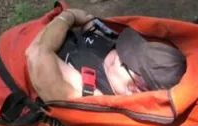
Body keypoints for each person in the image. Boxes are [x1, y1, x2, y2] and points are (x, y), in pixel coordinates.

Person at [26, 8, 187, 101]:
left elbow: (35, 53)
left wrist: (68, 17)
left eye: (125, 61)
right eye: (124, 49)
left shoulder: (87, 93)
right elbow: (90, 23)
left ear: (135, 89)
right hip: (45, 33)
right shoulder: (115, 55)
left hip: (17, 58)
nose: (118, 53)